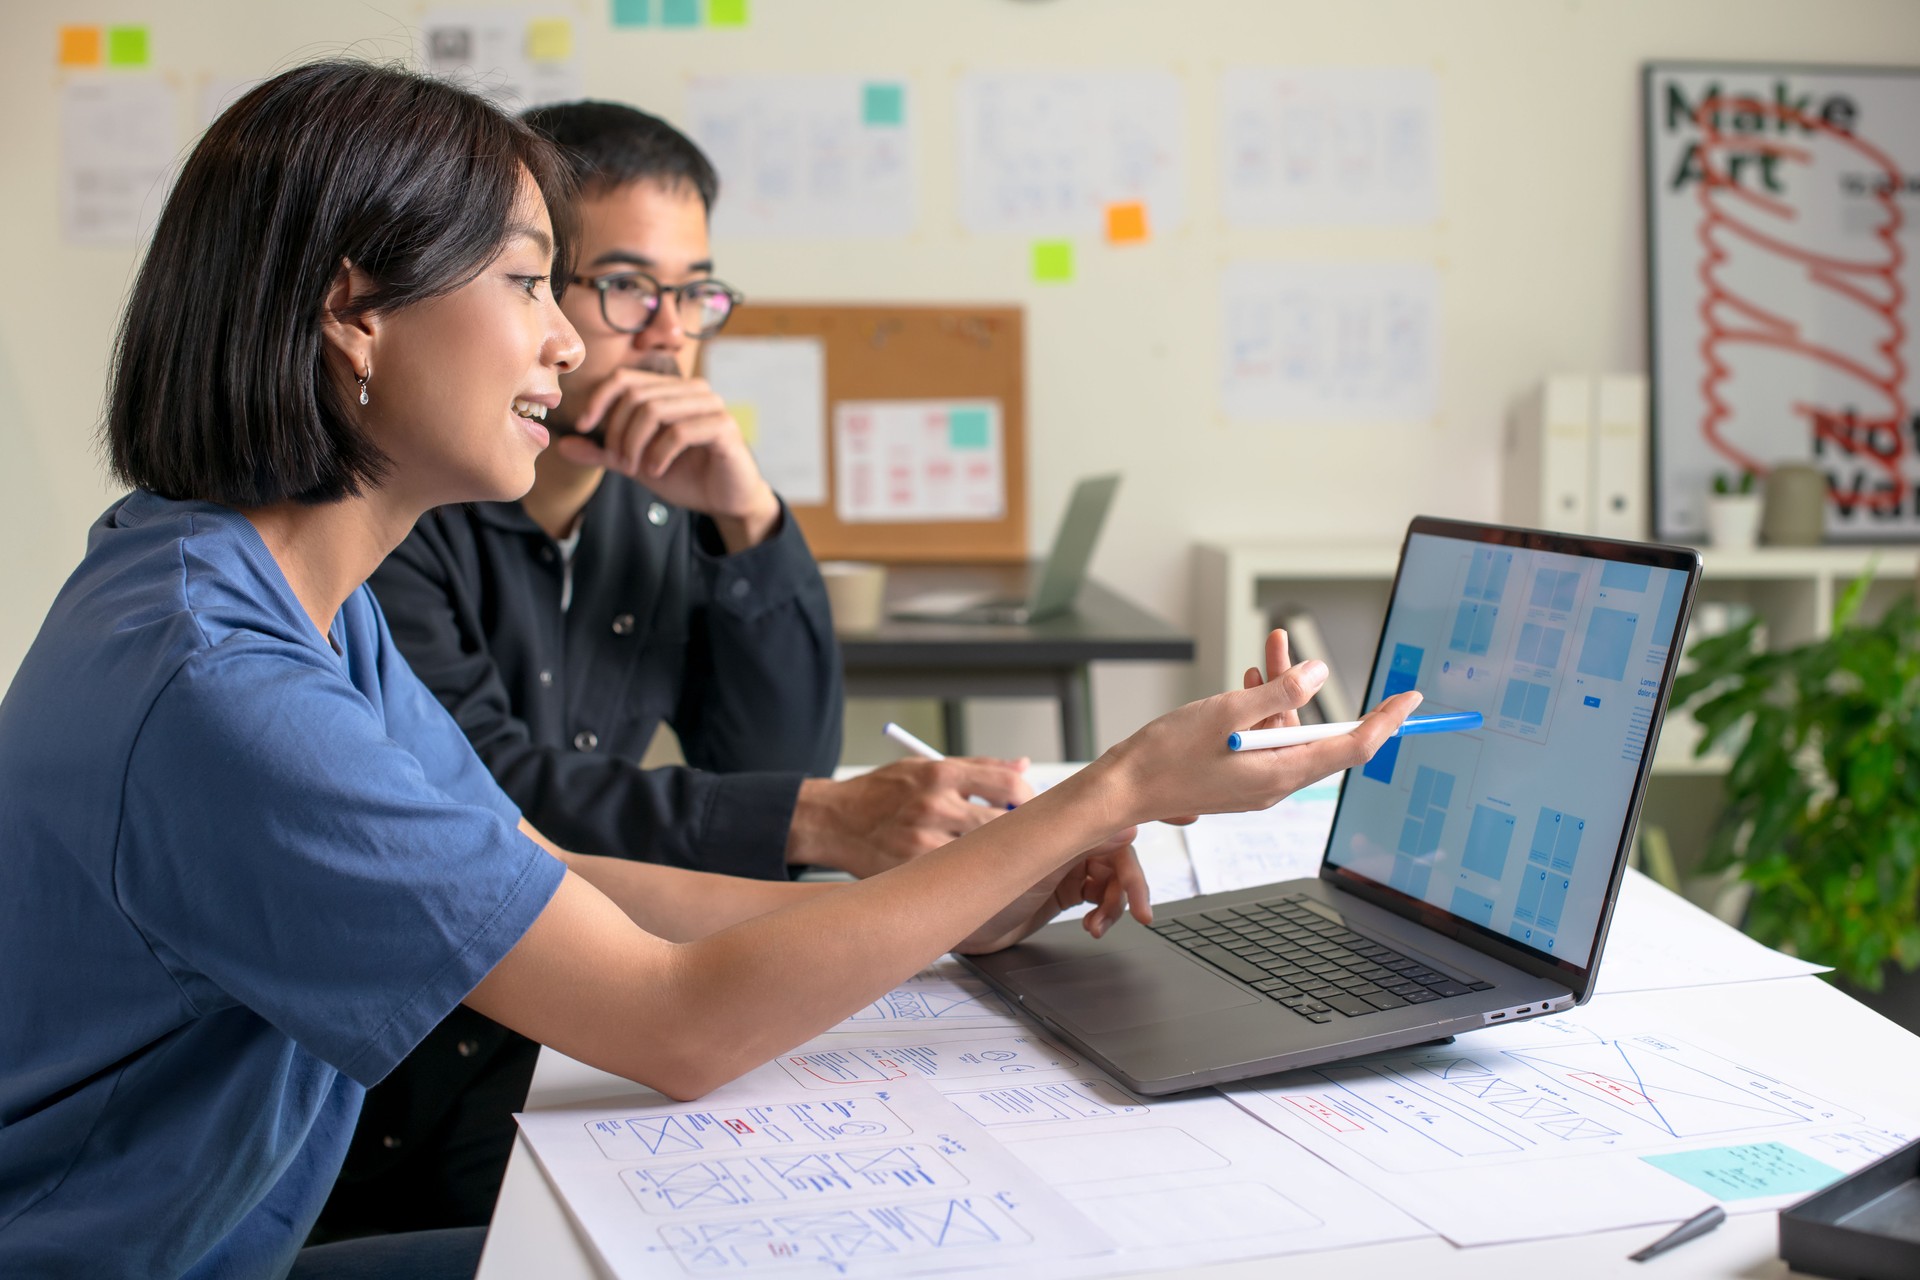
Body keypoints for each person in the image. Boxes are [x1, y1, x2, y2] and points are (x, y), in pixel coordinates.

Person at [0, 59, 1418, 1280]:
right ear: (354, 311)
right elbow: (673, 1021)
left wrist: (964, 902)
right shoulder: (227, 685)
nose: (569, 337)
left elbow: (562, 872)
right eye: (530, 280)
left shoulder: (269, 595)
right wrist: (1112, 790)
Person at [324, 101, 1037, 1236]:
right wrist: (830, 823)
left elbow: (775, 760)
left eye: (693, 293)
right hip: (422, 1082)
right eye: (621, 287)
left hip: (574, 1017)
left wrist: (748, 520)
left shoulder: (657, 504)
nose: (667, 334)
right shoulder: (400, 510)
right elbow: (496, 805)